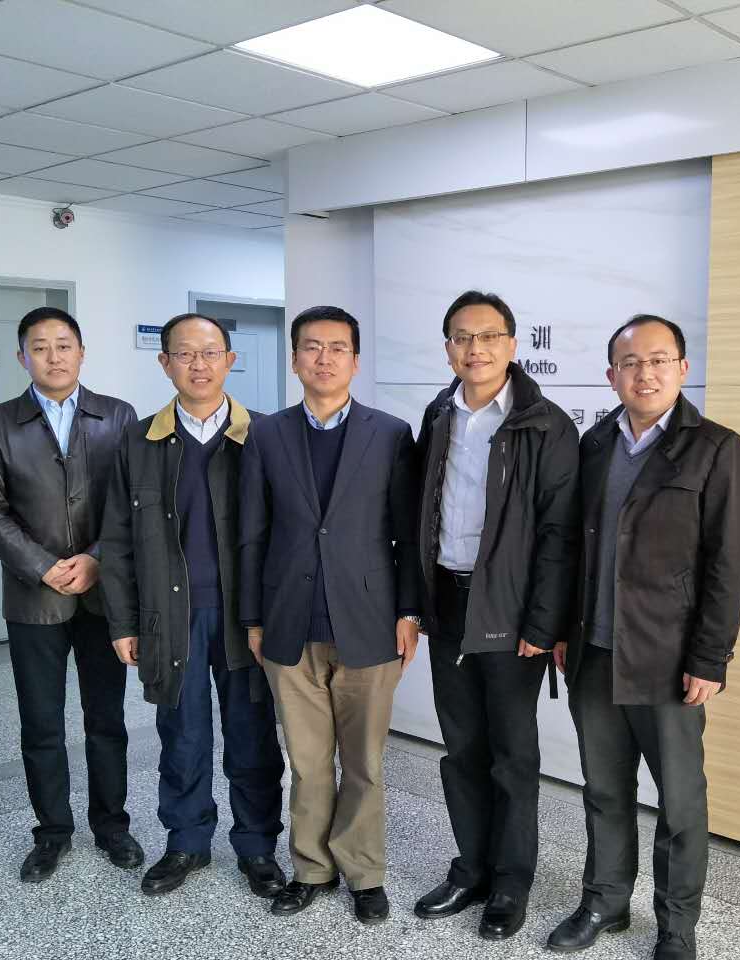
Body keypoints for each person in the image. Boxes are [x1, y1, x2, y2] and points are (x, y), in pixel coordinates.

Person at [546, 315, 740, 960]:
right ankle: (605, 901)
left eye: (659, 360)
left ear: (683, 369)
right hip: (594, 653)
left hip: (668, 660)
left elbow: (730, 562)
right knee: (603, 789)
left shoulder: (715, 448)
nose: (645, 374)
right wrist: (562, 628)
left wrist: (709, 657)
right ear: (612, 375)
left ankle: (676, 925)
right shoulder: (594, 444)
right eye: (631, 363)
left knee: (680, 803)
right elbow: (572, 548)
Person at [239, 305, 421, 924]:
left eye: (337, 348)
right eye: (312, 347)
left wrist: (410, 611)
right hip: (288, 621)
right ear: (294, 360)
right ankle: (311, 869)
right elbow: (252, 533)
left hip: (369, 621)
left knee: (364, 763)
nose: (324, 358)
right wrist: (253, 618)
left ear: (355, 361)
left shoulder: (390, 434)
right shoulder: (266, 434)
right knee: (308, 761)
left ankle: (365, 874)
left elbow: (407, 533)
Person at [412, 290, 581, 941]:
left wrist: (543, 624)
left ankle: (511, 881)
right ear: (448, 348)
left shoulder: (545, 425)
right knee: (461, 748)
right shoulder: (438, 413)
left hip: (510, 610)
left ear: (512, 345)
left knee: (512, 754)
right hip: (448, 601)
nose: (475, 349)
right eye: (462, 337)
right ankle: (472, 868)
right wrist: (417, 603)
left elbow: (560, 534)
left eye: (488, 337)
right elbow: (420, 511)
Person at [100, 313, 285, 898]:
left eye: (209, 353)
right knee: (181, 735)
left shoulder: (265, 436)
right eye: (184, 354)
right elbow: (115, 541)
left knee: (252, 735)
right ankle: (186, 842)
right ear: (165, 363)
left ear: (230, 360)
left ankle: (257, 846)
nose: (198, 365)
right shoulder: (138, 442)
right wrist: (123, 622)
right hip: (169, 617)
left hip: (245, 617)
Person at [0, 306, 142, 883]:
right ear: (22, 357)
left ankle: (112, 826)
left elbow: (132, 501)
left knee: (106, 717)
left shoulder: (117, 416)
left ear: (82, 352)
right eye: (39, 347)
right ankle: (51, 833)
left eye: (63, 345)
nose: (53, 356)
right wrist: (44, 568)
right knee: (41, 721)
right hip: (33, 598)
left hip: (103, 595)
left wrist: (96, 558)